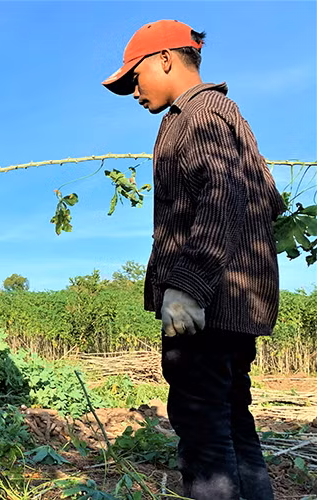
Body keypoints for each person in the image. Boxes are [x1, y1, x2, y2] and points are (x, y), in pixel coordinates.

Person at [102, 20, 285, 500]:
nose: (133, 92)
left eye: (134, 78)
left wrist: (187, 285)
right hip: (234, 307)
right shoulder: (229, 118)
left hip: (205, 308)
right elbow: (268, 196)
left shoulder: (199, 115)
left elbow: (223, 192)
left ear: (165, 59)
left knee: (202, 431)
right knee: (232, 422)